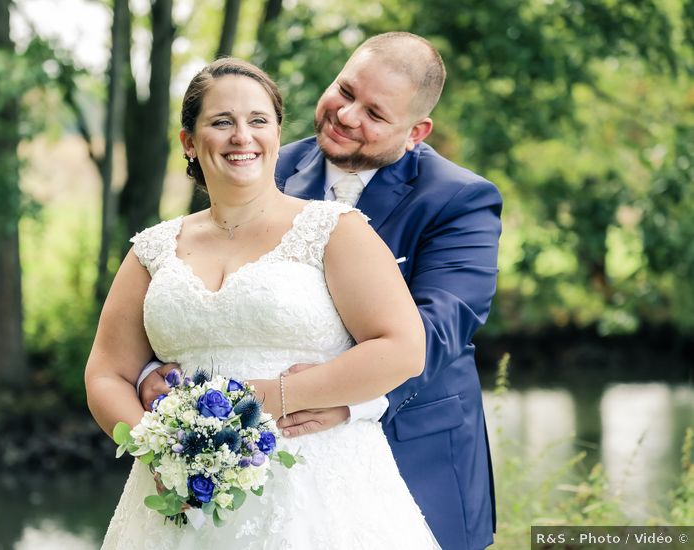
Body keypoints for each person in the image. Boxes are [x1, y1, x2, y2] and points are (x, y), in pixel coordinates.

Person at [138, 33, 502, 549]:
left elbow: (437, 329)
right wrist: (155, 372)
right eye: (345, 91)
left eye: (375, 114)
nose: (348, 115)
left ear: (416, 131)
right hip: (257, 464)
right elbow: (195, 279)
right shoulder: (259, 161)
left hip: (412, 447)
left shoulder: (459, 199)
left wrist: (349, 400)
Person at [86, 57, 440, 548]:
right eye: (221, 122)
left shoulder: (333, 230)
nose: (241, 136)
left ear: (277, 135)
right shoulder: (153, 250)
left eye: (258, 121)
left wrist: (266, 398)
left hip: (316, 493)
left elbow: (403, 348)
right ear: (189, 141)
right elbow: (106, 373)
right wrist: (157, 448)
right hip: (184, 502)